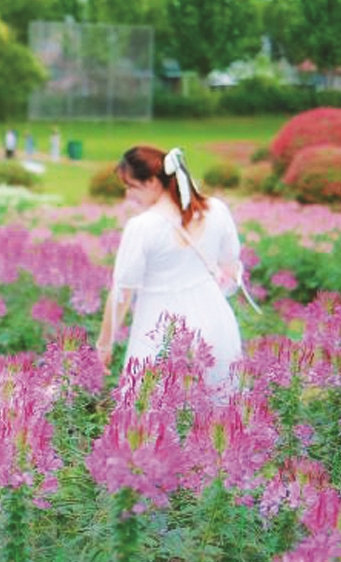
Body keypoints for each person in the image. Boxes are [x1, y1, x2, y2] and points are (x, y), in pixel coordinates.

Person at [96, 145, 245, 386]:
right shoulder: (215, 209)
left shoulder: (143, 227)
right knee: (218, 402)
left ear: (152, 182)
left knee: (153, 401)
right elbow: (231, 266)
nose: (129, 195)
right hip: (215, 321)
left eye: (131, 186)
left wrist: (104, 344)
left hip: (161, 328)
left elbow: (122, 293)